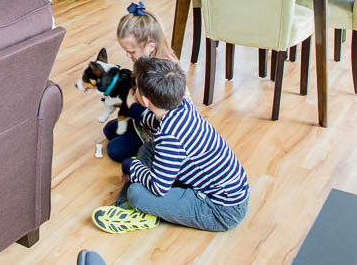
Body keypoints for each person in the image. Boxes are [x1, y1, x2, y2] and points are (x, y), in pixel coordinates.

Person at [91, 57, 250, 234]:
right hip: (227, 192)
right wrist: (133, 108)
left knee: (137, 193)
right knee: (148, 149)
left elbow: (158, 187)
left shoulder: (170, 137)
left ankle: (129, 208)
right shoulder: (183, 106)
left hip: (220, 210)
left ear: (146, 101)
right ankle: (143, 201)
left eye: (135, 88)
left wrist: (130, 165)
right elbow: (152, 120)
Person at [102, 2, 181, 163]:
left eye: (131, 51)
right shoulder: (148, 60)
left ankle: (148, 154)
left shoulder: (161, 76)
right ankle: (136, 131)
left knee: (114, 150)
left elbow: (160, 120)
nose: (128, 55)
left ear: (150, 47)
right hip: (146, 117)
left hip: (159, 130)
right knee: (109, 130)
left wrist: (132, 106)